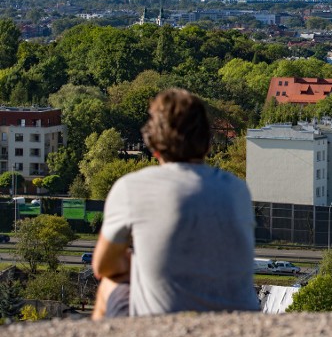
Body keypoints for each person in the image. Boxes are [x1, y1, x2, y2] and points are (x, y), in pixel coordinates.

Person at [92, 88, 258, 318]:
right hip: (241, 324)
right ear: (207, 143)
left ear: (154, 145)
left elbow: (102, 267)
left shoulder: (131, 188)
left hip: (164, 327)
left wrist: (136, 262)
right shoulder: (237, 189)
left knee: (109, 284)